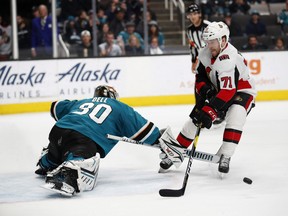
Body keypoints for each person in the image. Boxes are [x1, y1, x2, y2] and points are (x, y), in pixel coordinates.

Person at [35, 85, 186, 196]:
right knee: (81, 154)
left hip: (58, 131)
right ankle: (69, 173)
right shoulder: (119, 107)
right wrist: (161, 141)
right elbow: (144, 130)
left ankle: (47, 160)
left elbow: (55, 107)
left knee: (58, 150)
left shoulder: (82, 102)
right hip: (83, 137)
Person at [160, 22, 257, 174]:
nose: (209, 45)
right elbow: (200, 78)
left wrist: (210, 110)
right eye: (207, 42)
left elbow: (229, 91)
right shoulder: (205, 53)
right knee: (196, 119)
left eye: (212, 42)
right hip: (219, 90)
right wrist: (205, 93)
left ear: (223, 40)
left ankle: (226, 154)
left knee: (236, 114)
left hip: (241, 92)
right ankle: (176, 151)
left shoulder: (229, 58)